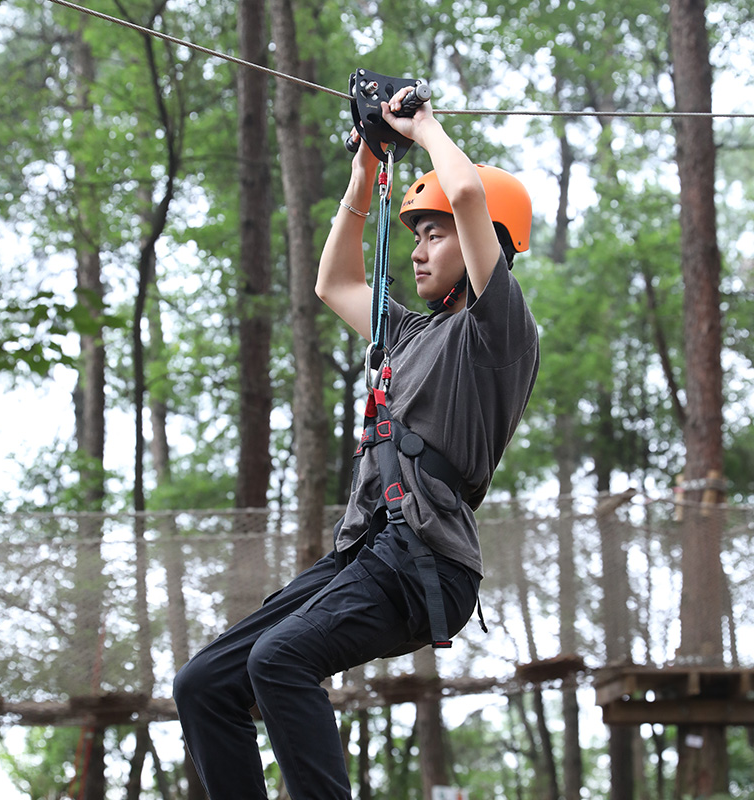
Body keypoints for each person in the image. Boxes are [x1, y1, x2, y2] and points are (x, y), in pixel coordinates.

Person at [172, 89, 539, 800]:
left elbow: (465, 190)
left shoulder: (497, 334)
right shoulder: (408, 332)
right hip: (364, 553)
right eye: (417, 235)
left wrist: (421, 126)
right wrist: (368, 159)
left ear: (482, 242)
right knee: (205, 683)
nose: (421, 249)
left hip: (427, 560)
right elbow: (332, 281)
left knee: (279, 659)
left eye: (437, 235)